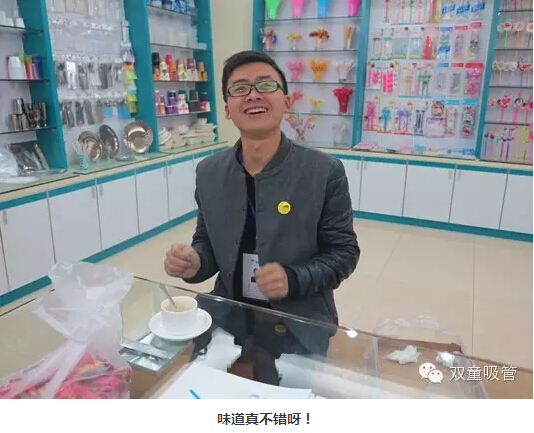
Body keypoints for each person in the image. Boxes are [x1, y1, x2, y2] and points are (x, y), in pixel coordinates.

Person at [164, 50, 360, 328]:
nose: (253, 95)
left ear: (286, 102)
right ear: (227, 110)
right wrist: (196, 262)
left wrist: (293, 278)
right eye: (240, 88)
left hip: (300, 319)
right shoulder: (209, 172)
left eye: (266, 85)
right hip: (230, 311)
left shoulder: (324, 171)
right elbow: (206, 240)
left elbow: (344, 253)